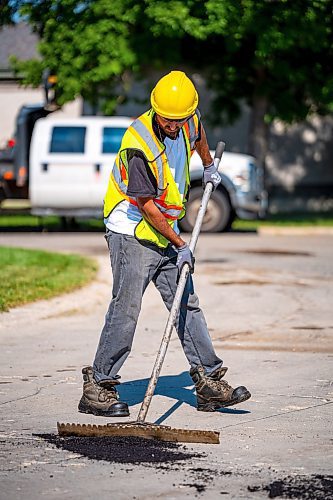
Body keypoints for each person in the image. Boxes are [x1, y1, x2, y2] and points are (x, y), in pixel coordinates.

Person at [79, 71, 251, 417]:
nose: (174, 127)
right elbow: (146, 207)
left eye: (179, 120)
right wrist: (180, 242)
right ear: (155, 109)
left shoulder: (187, 118)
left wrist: (208, 164)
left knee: (186, 302)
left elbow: (198, 132)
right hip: (132, 231)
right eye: (168, 121)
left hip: (164, 228)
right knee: (126, 309)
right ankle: (98, 386)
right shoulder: (137, 145)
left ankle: (208, 382)